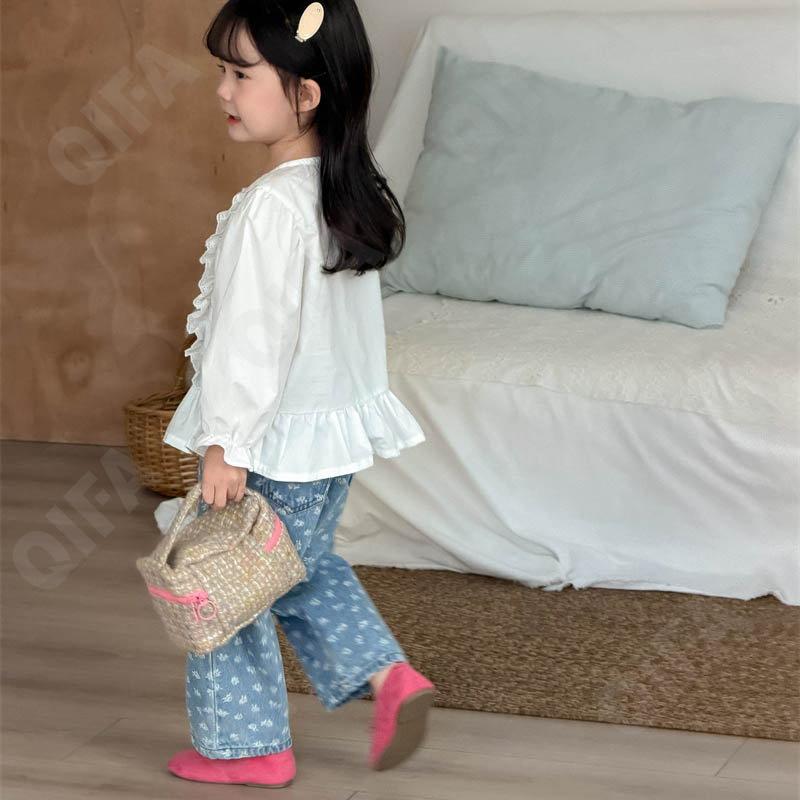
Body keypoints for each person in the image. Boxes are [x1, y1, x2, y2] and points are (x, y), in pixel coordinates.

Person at [160, 0, 435, 789]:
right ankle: (388, 676)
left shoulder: (271, 209)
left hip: (268, 446)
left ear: (306, 94)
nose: (223, 90)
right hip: (323, 445)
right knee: (295, 568)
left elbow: (250, 342)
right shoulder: (340, 194)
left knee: (224, 589)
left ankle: (248, 748)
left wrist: (226, 444)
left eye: (241, 75)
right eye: (222, 71)